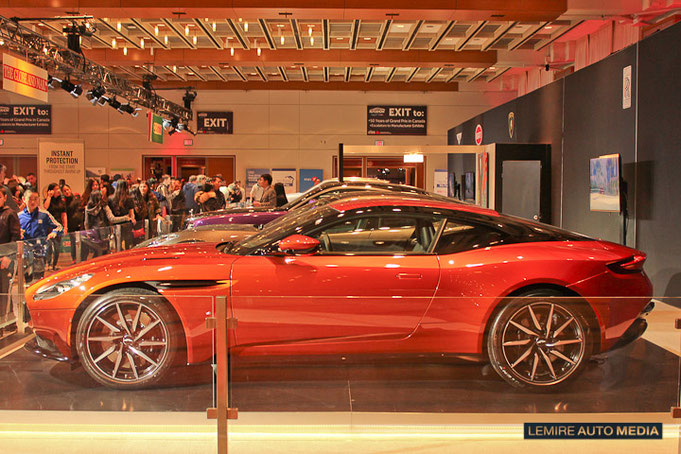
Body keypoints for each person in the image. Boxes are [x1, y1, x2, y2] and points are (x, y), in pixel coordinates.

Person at [19, 190, 63, 281]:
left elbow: (59, 226)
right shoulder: (19, 216)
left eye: (35, 199)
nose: (33, 202)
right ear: (24, 200)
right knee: (28, 280)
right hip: (25, 253)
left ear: (39, 200)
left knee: (39, 280)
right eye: (30, 199)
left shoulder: (44, 214)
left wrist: (54, 232)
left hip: (40, 252)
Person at [84, 190, 131, 259]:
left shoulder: (88, 208)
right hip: (104, 232)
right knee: (104, 253)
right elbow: (112, 219)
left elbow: (86, 222)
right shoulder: (104, 206)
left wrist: (88, 232)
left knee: (97, 252)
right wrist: (125, 218)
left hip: (93, 233)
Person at [0, 187, 20, 322]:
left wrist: (8, 257)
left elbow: (15, 236)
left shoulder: (10, 214)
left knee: (3, 292)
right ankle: (8, 321)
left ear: (4, 197)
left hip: (4, 258)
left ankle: (4, 322)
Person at [43, 183, 67, 270]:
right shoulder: (48, 200)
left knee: (57, 247)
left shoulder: (62, 202)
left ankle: (54, 264)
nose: (58, 191)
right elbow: (45, 207)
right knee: (49, 246)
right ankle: (48, 264)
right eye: (55, 189)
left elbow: (64, 214)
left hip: (58, 226)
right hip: (49, 226)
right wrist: (49, 197)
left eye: (58, 189)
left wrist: (65, 227)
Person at [108, 180, 135, 249]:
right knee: (128, 244)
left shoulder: (111, 198)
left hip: (115, 223)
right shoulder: (129, 198)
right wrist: (132, 219)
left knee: (117, 243)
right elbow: (132, 213)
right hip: (126, 224)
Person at [62, 184, 85, 264]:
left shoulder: (77, 196)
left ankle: (82, 258)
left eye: (67, 189)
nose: (67, 192)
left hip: (81, 223)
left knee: (82, 242)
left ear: (70, 189)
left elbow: (83, 204)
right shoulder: (64, 202)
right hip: (71, 225)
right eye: (64, 191)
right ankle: (74, 259)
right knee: (73, 243)